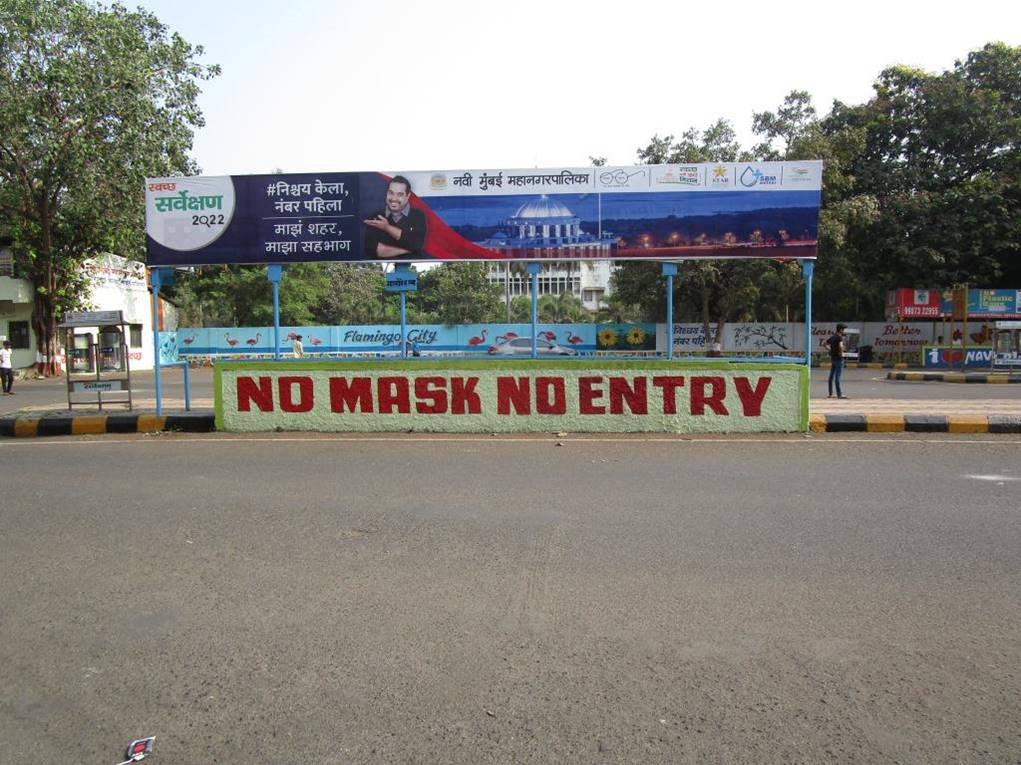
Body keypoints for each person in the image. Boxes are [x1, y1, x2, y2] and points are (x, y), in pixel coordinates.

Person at [363, 175, 427, 259]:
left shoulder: (418, 216)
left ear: (408, 196)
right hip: (382, 266)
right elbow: (371, 250)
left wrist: (386, 227)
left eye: (399, 194)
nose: (394, 198)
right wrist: (409, 250)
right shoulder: (375, 217)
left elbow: (417, 244)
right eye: (391, 193)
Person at [826, 324, 848, 399]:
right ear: (841, 330)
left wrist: (830, 350)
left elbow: (824, 344)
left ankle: (830, 393)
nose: (844, 331)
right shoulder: (839, 338)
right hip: (839, 359)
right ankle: (839, 394)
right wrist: (841, 355)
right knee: (837, 377)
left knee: (831, 376)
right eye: (843, 330)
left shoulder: (832, 337)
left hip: (833, 359)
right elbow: (840, 347)